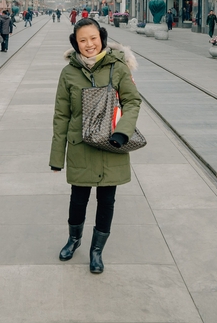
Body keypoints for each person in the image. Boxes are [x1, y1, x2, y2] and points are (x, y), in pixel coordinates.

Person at [50, 18, 141, 274]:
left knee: (107, 200)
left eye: (93, 38)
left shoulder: (118, 67)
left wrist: (123, 133)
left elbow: (133, 102)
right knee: (78, 199)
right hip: (80, 145)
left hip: (113, 144)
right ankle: (74, 239)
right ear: (75, 43)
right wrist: (57, 157)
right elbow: (61, 116)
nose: (89, 44)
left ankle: (97, 251)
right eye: (82, 40)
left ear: (101, 37)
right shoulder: (68, 72)